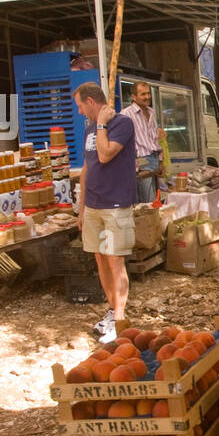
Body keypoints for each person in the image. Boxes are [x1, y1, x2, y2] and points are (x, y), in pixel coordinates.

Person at [74, 82, 137, 343]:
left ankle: (120, 319)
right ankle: (112, 311)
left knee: (115, 260)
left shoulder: (122, 124)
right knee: (100, 258)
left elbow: (105, 155)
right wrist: (81, 206)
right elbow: (89, 166)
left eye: (80, 105)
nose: (79, 112)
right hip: (94, 206)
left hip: (115, 205)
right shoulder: (89, 128)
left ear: (91, 101)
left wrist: (101, 124)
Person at [121, 80, 164, 202]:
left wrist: (160, 160)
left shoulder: (151, 112)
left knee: (156, 198)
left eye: (148, 93)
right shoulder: (126, 114)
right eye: (143, 94)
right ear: (134, 97)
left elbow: (155, 139)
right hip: (142, 161)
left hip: (154, 157)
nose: (147, 97)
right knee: (147, 201)